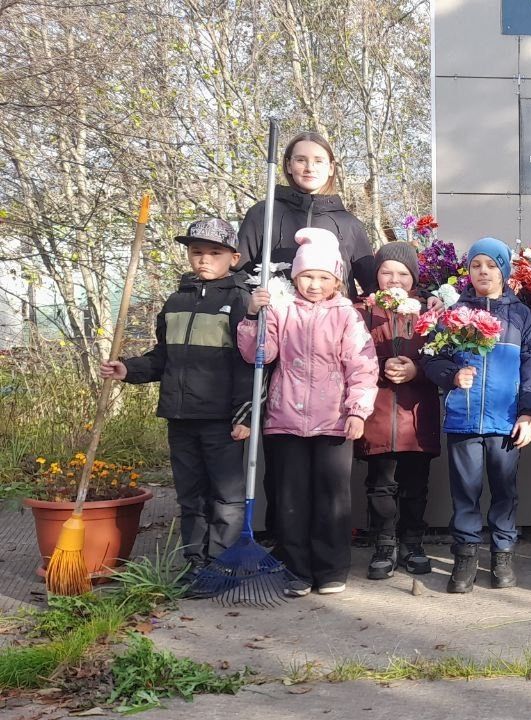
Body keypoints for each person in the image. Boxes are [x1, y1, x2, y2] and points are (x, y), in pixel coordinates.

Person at [100, 219, 252, 577]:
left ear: (234, 258)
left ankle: (222, 566)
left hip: (222, 419)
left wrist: (245, 414)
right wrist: (129, 369)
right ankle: (195, 562)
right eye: (197, 252)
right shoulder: (175, 301)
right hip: (180, 416)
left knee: (226, 496)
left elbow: (249, 364)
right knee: (190, 494)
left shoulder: (241, 300)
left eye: (214, 253)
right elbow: (162, 357)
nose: (204, 259)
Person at [237, 228, 378, 597]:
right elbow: (258, 355)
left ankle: (331, 569)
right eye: (307, 276)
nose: (315, 285)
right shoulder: (281, 309)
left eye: (323, 278)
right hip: (285, 420)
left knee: (332, 499)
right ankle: (296, 569)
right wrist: (253, 316)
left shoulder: (347, 315)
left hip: (333, 420)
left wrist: (357, 411)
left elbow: (362, 365)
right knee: (290, 499)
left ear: (336, 280)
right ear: (296, 276)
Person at [422, 238, 531, 593]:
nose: (483, 272)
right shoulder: (454, 313)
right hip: (465, 418)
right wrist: (452, 375)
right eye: (476, 265)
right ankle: (466, 556)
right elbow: (432, 358)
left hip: (506, 422)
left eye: (491, 265)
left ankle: (502, 554)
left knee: (505, 491)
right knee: (465, 491)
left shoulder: (522, 315)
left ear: (503, 270)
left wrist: (528, 413)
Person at [357, 242, 441, 581]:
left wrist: (416, 370)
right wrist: (380, 367)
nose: (394, 280)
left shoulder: (428, 312)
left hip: (416, 414)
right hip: (378, 413)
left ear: (414, 278)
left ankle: (412, 542)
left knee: (415, 485)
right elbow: (349, 356)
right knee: (381, 484)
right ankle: (384, 543)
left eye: (403, 273)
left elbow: (441, 358)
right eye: (387, 272)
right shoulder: (363, 310)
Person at [237, 131, 376, 299]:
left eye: (318, 161)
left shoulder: (350, 224)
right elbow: (238, 272)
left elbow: (373, 287)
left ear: (331, 168)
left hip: (335, 314)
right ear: (289, 165)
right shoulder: (263, 213)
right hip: (275, 313)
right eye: (301, 160)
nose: (310, 168)